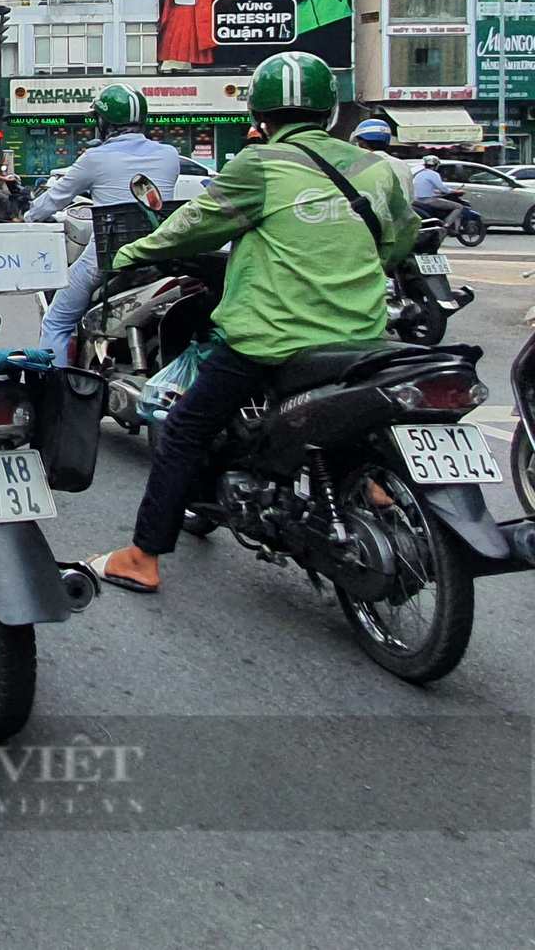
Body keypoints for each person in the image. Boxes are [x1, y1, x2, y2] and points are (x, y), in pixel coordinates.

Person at [86, 51, 419, 594]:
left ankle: (142, 557)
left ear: (259, 114)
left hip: (273, 339)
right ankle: (372, 491)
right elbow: (399, 239)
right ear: (330, 111)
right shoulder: (378, 167)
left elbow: (190, 228)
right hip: (363, 336)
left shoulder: (259, 164)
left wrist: (128, 256)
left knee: (185, 430)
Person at [24, 84, 181, 360]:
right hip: (159, 255)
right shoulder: (169, 155)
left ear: (103, 123)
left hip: (105, 259)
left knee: (57, 322)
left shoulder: (94, 159)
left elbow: (53, 200)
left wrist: (26, 217)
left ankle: (54, 391)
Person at [410, 156, 466, 227]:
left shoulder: (418, 174)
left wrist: (436, 191)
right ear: (436, 165)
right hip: (429, 200)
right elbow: (443, 189)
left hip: (417, 200)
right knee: (459, 206)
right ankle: (447, 224)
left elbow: (425, 186)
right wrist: (455, 191)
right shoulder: (434, 174)